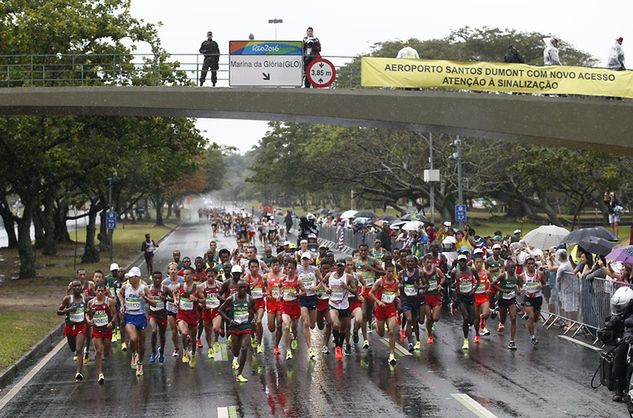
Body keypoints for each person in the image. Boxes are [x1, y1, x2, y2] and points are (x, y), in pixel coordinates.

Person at [118, 266, 155, 376]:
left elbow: (154, 303)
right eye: (128, 277)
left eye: (130, 277)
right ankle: (134, 354)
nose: (128, 279)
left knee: (142, 344)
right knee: (133, 339)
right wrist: (122, 305)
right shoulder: (125, 286)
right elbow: (120, 294)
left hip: (141, 317)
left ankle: (140, 362)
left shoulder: (144, 288)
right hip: (129, 316)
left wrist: (144, 297)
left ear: (137, 278)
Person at [219, 280, 255, 383]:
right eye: (240, 288)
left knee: (244, 348)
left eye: (245, 287)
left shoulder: (250, 299)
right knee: (236, 350)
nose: (243, 290)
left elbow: (254, 311)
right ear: (237, 289)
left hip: (245, 327)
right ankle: (234, 354)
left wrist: (252, 320)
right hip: (234, 328)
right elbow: (220, 310)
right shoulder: (231, 298)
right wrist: (230, 320)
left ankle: (239, 374)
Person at [325, 258, 356, 360]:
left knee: (344, 328)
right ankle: (338, 347)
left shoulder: (348, 277)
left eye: (342, 266)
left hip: (344, 305)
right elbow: (322, 282)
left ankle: (340, 345)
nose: (340, 268)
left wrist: (347, 288)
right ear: (335, 266)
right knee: (336, 324)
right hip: (333, 304)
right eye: (338, 266)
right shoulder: (330, 275)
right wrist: (327, 290)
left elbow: (355, 291)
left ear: (345, 266)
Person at [370, 262, 400, 366]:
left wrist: (396, 299)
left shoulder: (396, 282)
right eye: (388, 271)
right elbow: (370, 293)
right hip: (380, 309)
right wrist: (378, 302)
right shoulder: (380, 281)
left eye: (392, 272)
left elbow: (395, 294)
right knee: (381, 333)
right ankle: (375, 325)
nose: (391, 274)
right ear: (385, 271)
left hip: (391, 309)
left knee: (391, 331)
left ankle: (392, 354)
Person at [58, 280, 88, 382]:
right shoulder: (67, 299)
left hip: (81, 326)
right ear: (72, 288)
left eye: (79, 286)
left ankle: (78, 372)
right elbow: (59, 312)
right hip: (70, 327)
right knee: (73, 348)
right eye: (75, 286)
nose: (78, 288)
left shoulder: (85, 298)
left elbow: (87, 310)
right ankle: (77, 353)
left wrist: (89, 312)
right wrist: (69, 310)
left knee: (79, 349)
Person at [87, 283, 116, 384]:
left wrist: (111, 322)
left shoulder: (109, 301)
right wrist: (89, 320)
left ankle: (105, 357)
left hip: (106, 329)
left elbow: (115, 314)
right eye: (98, 291)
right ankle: (100, 373)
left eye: (102, 291)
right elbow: (87, 314)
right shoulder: (91, 303)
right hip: (96, 329)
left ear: (105, 291)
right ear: (95, 291)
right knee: (99, 351)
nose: (100, 293)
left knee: (106, 350)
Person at [175, 267, 203, 368]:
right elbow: (174, 293)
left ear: (192, 275)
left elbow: (203, 301)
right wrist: (176, 300)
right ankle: (185, 351)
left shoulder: (197, 287)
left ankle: (193, 354)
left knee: (193, 338)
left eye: (187, 274)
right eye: (183, 274)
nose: (184, 276)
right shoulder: (180, 285)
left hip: (193, 316)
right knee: (184, 332)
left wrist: (196, 299)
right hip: (182, 314)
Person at [451, 254, 480, 351]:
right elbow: (451, 285)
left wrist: (474, 289)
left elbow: (478, 281)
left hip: (470, 297)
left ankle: (468, 327)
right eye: (460, 261)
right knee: (466, 318)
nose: (462, 263)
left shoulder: (472, 270)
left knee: (472, 320)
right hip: (461, 298)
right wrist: (454, 290)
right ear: (458, 262)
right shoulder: (455, 272)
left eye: (464, 261)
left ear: (466, 261)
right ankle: (466, 340)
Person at [493, 260, 519, 350]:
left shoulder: (516, 276)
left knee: (513, 318)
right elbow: (493, 284)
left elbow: (517, 285)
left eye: (514, 268)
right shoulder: (503, 275)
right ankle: (497, 313)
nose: (513, 269)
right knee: (503, 320)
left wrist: (518, 291)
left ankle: (512, 342)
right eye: (511, 267)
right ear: (507, 268)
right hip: (502, 299)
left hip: (511, 300)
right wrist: (502, 290)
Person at [521, 256, 546, 346]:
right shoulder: (522, 275)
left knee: (535, 318)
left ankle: (531, 324)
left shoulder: (539, 274)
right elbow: (519, 286)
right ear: (526, 265)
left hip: (537, 297)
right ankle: (533, 337)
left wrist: (541, 287)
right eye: (529, 264)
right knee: (531, 316)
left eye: (532, 264)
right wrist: (522, 290)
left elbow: (544, 284)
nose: (531, 265)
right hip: (528, 298)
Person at [421, 254, 445, 344]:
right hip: (426, 297)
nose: (429, 264)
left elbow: (443, 277)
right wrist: (423, 287)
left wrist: (440, 284)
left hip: (436, 295)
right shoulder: (421, 272)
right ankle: (430, 335)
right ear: (424, 262)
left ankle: (433, 316)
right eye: (427, 262)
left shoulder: (436, 270)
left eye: (431, 262)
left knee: (435, 318)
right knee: (429, 318)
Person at [147, 271, 170, 365]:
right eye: (155, 278)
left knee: (162, 334)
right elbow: (144, 298)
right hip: (152, 313)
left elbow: (174, 298)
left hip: (162, 314)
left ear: (162, 279)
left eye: (159, 278)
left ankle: (162, 351)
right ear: (152, 278)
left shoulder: (165, 288)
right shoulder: (148, 288)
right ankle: (153, 352)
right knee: (153, 331)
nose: (157, 280)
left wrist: (166, 298)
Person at [399, 255, 421, 352]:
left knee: (416, 321)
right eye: (408, 261)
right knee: (409, 319)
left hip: (416, 300)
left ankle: (418, 340)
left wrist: (419, 287)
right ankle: (410, 343)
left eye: (412, 261)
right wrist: (401, 285)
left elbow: (427, 285)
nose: (410, 263)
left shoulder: (420, 273)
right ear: (405, 263)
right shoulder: (401, 273)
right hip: (406, 300)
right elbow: (398, 285)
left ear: (415, 263)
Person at [201, 268, 223, 359]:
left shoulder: (220, 285)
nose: (210, 278)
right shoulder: (201, 286)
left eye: (212, 276)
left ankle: (216, 341)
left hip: (216, 310)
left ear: (215, 276)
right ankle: (210, 347)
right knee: (207, 331)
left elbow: (224, 296)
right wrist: (202, 303)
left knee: (216, 328)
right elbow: (199, 299)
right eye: (208, 276)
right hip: (206, 311)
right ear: (206, 276)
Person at [266, 257, 285, 355]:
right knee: (271, 328)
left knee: (279, 324)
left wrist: (282, 293)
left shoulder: (283, 276)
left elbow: (288, 287)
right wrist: (267, 294)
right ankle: (272, 328)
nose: (275, 267)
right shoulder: (267, 276)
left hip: (280, 303)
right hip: (270, 303)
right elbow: (263, 287)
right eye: (273, 265)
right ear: (271, 266)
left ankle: (276, 346)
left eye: (277, 264)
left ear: (279, 266)